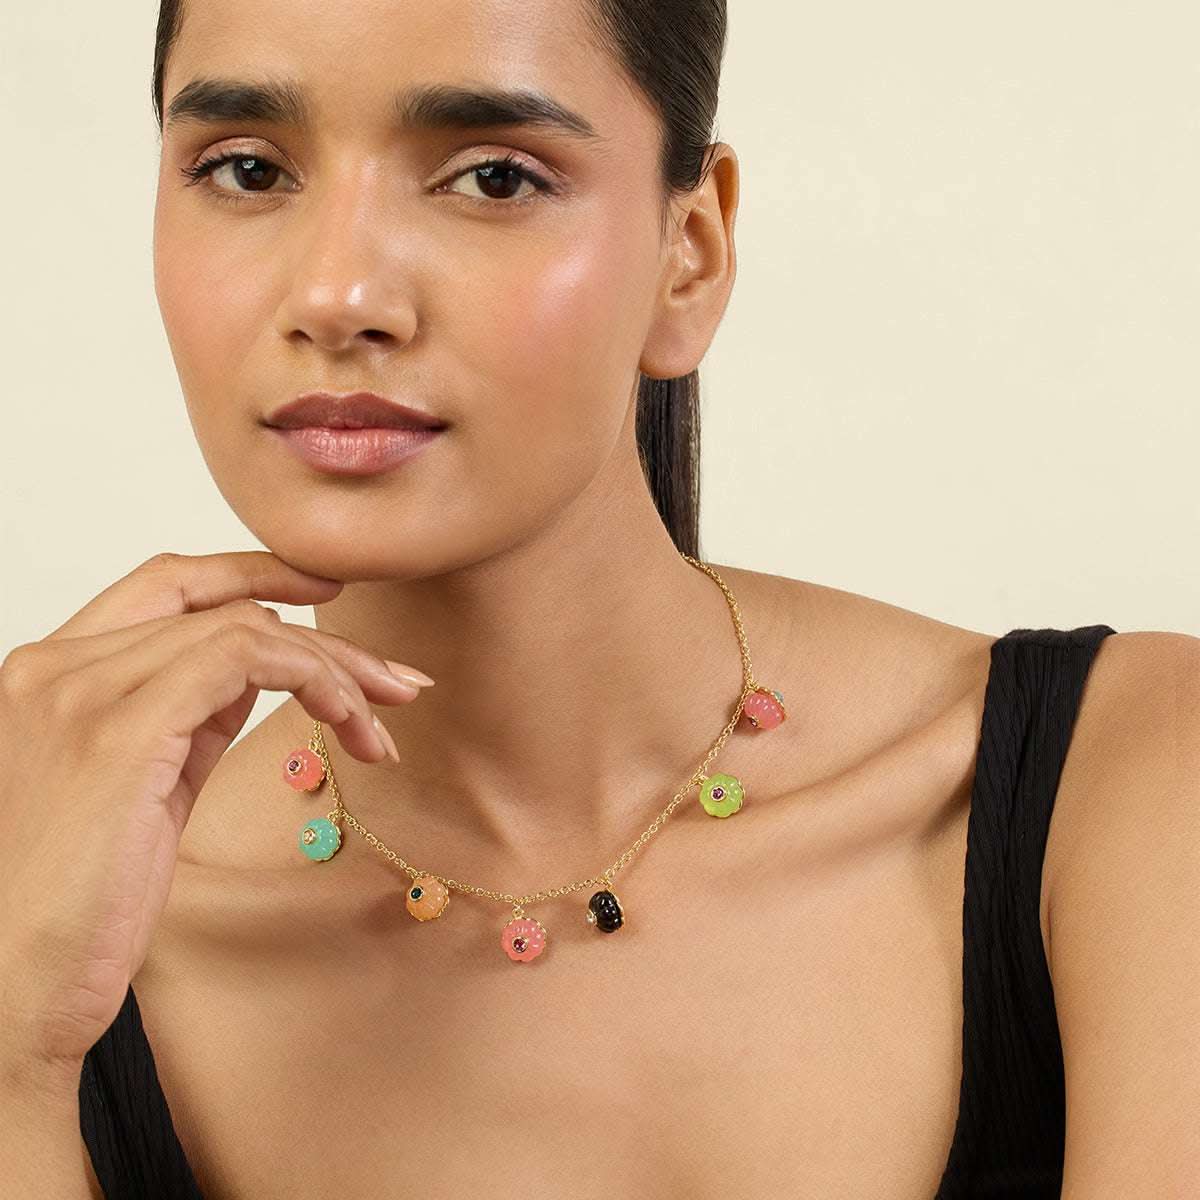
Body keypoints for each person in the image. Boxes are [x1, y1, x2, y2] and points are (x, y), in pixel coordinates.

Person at [1, 1, 1196, 1197]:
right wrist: (14, 1054)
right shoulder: (71, 941)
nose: (338, 292)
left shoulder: (1127, 778)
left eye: (494, 178)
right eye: (247, 169)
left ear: (690, 254)